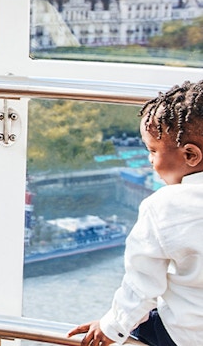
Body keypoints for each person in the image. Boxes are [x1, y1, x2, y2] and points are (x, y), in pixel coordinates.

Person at [69, 81, 203, 346]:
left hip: (183, 334)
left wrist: (111, 326)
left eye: (153, 151)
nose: (150, 162)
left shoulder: (164, 206)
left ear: (190, 155)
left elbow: (142, 283)